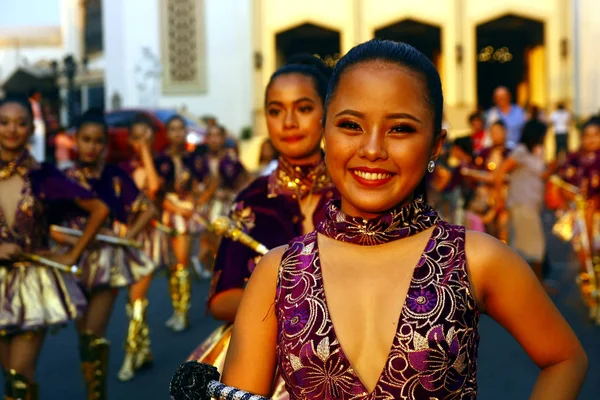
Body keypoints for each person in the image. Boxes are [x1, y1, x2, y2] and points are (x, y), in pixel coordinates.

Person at [221, 39, 588, 399]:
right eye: (350, 125)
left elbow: (565, 359)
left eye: (400, 129)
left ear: (435, 145)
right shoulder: (278, 272)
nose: (372, 149)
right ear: (324, 134)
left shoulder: (476, 259)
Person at [187, 55, 338, 399]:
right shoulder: (252, 201)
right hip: (266, 364)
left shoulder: (355, 194)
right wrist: (300, 309)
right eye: (275, 110)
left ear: (327, 112)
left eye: (303, 108)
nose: (288, 122)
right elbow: (221, 299)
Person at [0, 95, 109, 398]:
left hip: (32, 283)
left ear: (31, 129)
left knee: (20, 378)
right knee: (8, 377)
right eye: (4, 122)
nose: (12, 129)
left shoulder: (44, 175)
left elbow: (98, 210)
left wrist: (72, 254)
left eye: (21, 123)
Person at [52, 110, 158, 397]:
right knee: (83, 338)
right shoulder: (63, 178)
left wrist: (127, 237)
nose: (92, 146)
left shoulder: (115, 177)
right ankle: (92, 391)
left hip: (105, 263)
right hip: (73, 260)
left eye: (98, 141)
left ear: (106, 145)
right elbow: (49, 225)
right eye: (86, 140)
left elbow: (148, 208)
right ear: (75, 140)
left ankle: (97, 395)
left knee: (94, 337)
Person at [116, 113, 167, 381]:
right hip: (125, 237)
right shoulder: (121, 168)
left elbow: (155, 187)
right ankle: (144, 350)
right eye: (136, 137)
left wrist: (147, 152)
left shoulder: (161, 164)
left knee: (136, 299)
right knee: (131, 300)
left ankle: (130, 355)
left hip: (147, 238)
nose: (141, 142)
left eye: (146, 136)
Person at [158, 115, 215, 332]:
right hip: (168, 213)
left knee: (181, 262)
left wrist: (198, 201)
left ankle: (183, 312)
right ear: (167, 133)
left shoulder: (195, 159)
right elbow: (156, 190)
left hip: (186, 215)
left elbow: (211, 181)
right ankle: (176, 309)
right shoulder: (160, 159)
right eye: (172, 129)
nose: (177, 133)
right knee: (173, 264)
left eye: (181, 129)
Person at [496, 120, 549, 285]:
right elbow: (500, 172)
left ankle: (533, 285)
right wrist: (499, 199)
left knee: (531, 248)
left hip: (531, 206)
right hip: (521, 204)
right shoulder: (520, 152)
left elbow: (540, 175)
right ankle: (533, 286)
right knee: (530, 249)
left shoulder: (535, 152)